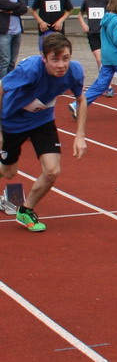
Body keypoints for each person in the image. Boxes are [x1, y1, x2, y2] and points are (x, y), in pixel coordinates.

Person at [0, 33, 87, 231]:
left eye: (65, 58)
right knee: (8, 172)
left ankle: (26, 210)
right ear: (44, 58)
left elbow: (81, 100)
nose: (61, 65)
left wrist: (80, 135)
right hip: (12, 120)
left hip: (42, 120)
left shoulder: (74, 71)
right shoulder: (30, 69)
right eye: (55, 59)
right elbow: (1, 87)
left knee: (52, 170)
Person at [68, 0, 117, 117]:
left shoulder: (106, 18)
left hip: (106, 57)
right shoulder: (116, 21)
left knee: (100, 84)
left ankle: (77, 104)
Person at [78, 0, 111, 93]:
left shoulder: (107, 0)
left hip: (105, 34)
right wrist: (84, 24)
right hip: (93, 34)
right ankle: (106, 84)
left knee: (106, 59)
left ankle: (105, 83)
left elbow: (113, 13)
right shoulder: (87, 1)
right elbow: (80, 14)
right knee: (99, 59)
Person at [0, 0, 28, 79]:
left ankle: (11, 85)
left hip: (17, 32)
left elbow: (24, 8)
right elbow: (4, 4)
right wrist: (16, 6)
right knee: (4, 62)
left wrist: (11, 11)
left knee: (12, 62)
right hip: (4, 33)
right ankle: (2, 86)